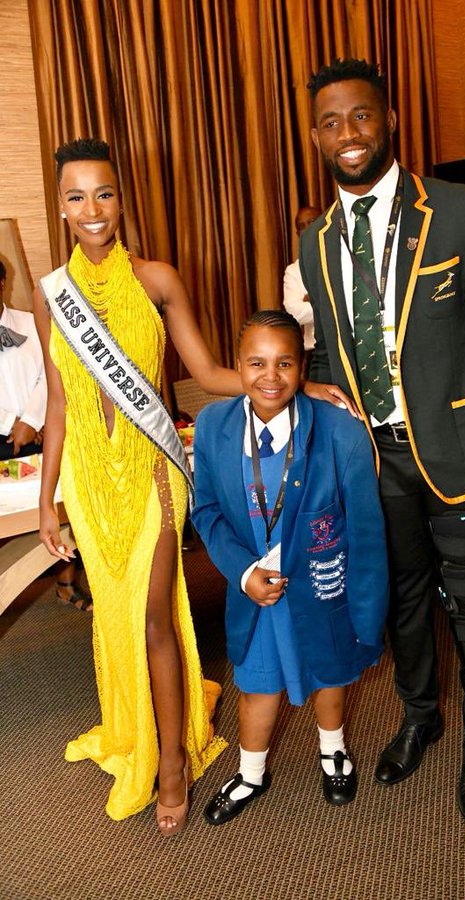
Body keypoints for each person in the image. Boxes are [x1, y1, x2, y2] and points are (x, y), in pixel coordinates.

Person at [33, 138, 357, 833]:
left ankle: (175, 766)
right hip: (91, 485)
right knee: (116, 618)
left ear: (122, 200)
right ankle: (140, 734)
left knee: (153, 617)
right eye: (76, 196)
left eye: (105, 193)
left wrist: (308, 385)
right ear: (60, 208)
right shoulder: (49, 295)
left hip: (151, 474)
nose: (93, 209)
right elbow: (59, 404)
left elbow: (209, 373)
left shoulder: (156, 280)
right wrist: (48, 500)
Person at [299, 59, 465, 823]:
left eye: (361, 116)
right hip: (375, 460)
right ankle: (420, 715)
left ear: (389, 118)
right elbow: (333, 352)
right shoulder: (316, 240)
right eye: (331, 122)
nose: (348, 135)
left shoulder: (461, 211)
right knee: (400, 600)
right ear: (315, 135)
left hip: (463, 451)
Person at [192, 310, 388, 825]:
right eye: (256, 363)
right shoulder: (213, 426)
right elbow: (206, 511)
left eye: (284, 363)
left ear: (303, 367)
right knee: (257, 681)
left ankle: (333, 750)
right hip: (257, 589)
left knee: (330, 671)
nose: (270, 376)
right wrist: (241, 573)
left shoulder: (340, 432)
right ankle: (252, 772)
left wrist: (368, 615)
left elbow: (366, 529)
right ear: (237, 366)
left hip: (322, 586)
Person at [0, 260, 91, 611]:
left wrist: (31, 419)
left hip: (42, 429)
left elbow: (51, 374)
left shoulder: (29, 320)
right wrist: (11, 423)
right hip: (4, 435)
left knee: (64, 504)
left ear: (3, 282)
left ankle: (67, 581)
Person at [283, 205, 321, 372]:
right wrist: (327, 300)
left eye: (312, 222)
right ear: (297, 234)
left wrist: (312, 299)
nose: (307, 229)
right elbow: (295, 314)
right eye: (301, 226)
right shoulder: (293, 271)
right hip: (313, 353)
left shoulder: (344, 260)